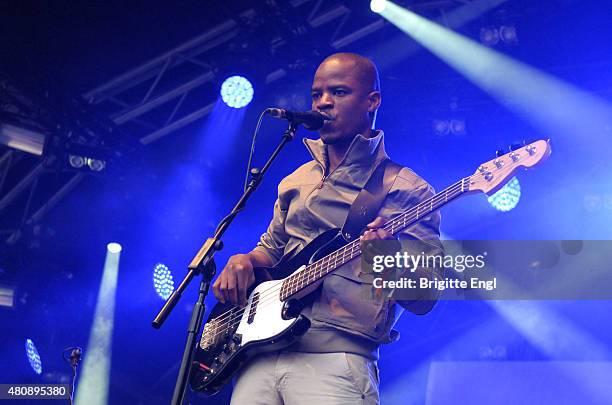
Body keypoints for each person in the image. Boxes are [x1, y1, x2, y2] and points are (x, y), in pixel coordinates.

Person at [212, 52, 442, 405]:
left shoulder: (405, 188)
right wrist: (243, 260)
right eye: (316, 94)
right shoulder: (296, 179)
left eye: (338, 92)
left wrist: (385, 259)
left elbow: (425, 295)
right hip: (260, 355)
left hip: (336, 362)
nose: (323, 103)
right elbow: (272, 249)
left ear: (372, 101)